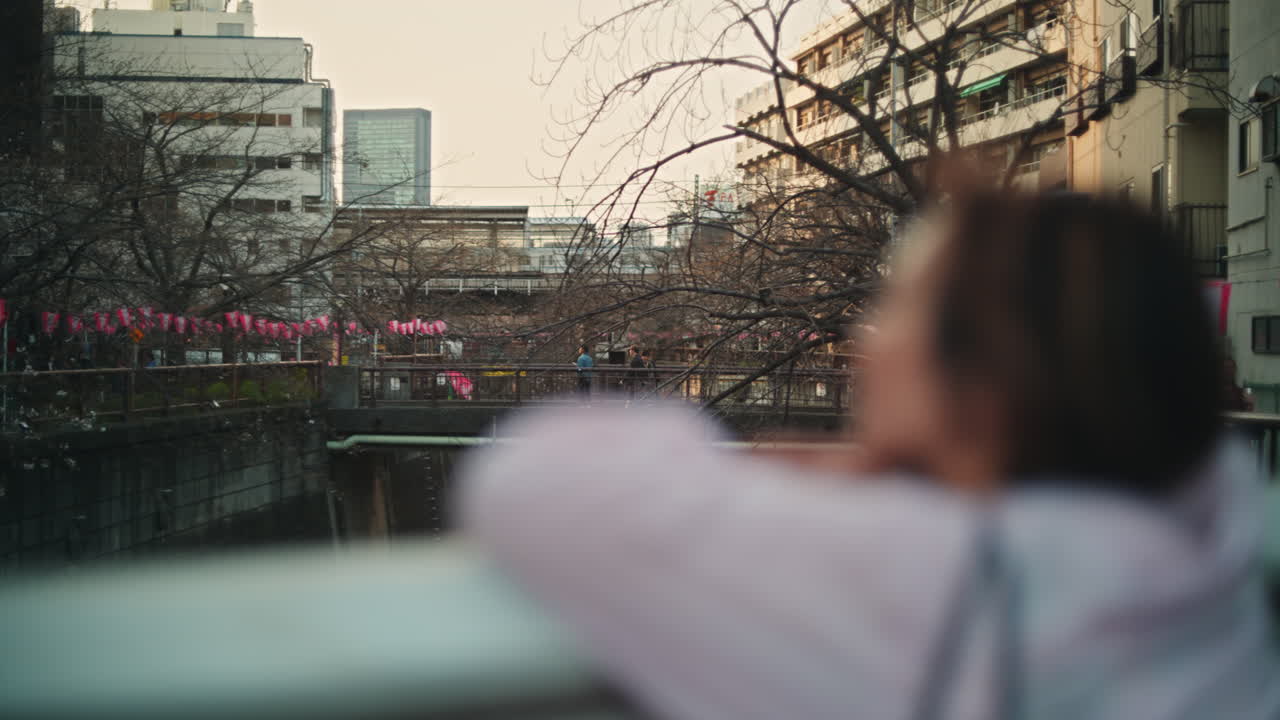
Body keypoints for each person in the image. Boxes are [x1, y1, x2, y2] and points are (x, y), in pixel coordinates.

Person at [461, 188, 1279, 720]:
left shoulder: (940, 569)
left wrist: (827, 470)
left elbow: (531, 481)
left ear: (985, 382)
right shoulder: (1208, 539)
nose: (864, 343)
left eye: (898, 313)